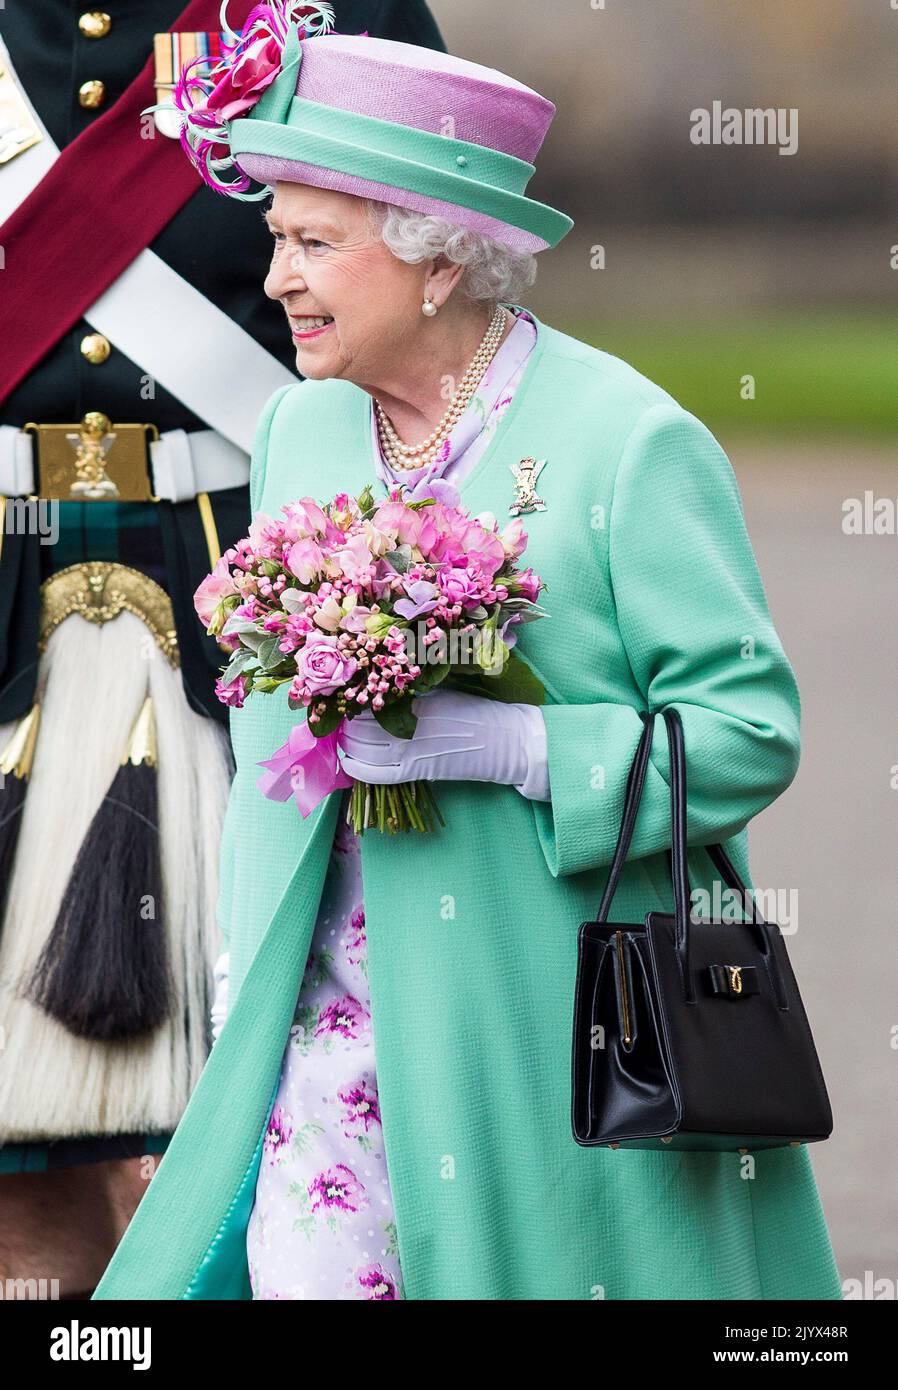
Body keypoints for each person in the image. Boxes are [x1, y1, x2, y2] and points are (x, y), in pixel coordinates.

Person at [93, 2, 843, 1301]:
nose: (276, 278)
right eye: (275, 238)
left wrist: (520, 745)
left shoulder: (626, 442)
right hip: (324, 1025)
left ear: (436, 259)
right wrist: (235, 971)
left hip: (540, 1016)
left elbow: (746, 728)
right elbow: (269, 722)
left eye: (313, 243)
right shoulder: (300, 435)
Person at [0, 0, 446, 1298]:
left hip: (247, 595)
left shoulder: (323, 11)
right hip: (8, 604)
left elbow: (433, 276)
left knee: (229, 1172)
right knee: (22, 1215)